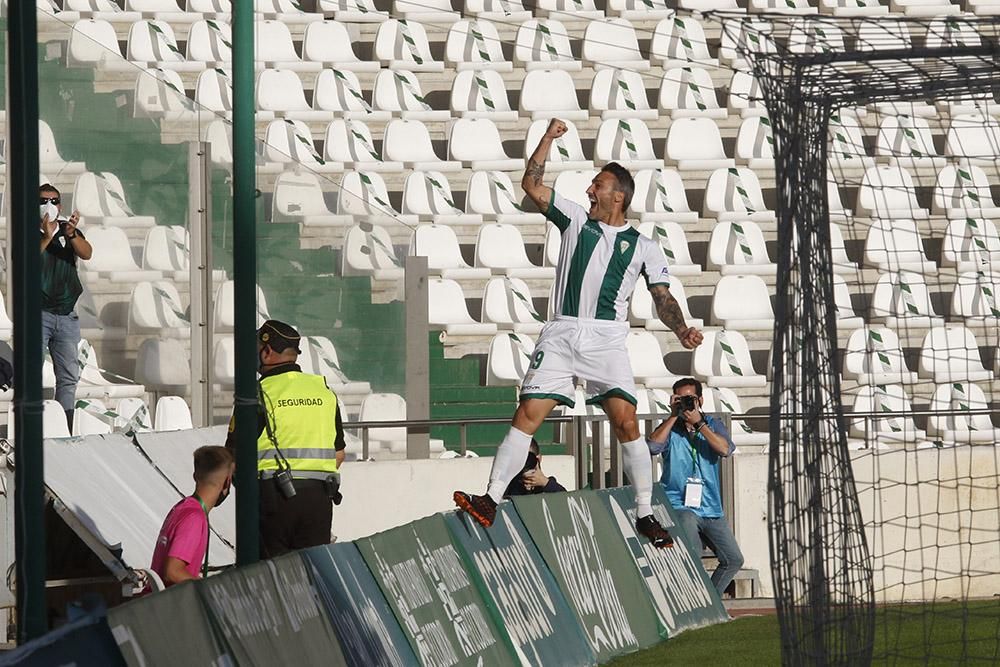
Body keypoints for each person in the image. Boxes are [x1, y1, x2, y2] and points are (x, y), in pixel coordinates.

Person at [455, 118, 703, 548]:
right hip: (562, 332)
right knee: (527, 415)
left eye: (598, 185)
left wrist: (681, 329)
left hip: (607, 338)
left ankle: (645, 512)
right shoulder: (573, 219)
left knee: (626, 421)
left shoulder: (644, 245)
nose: (590, 191)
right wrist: (547, 139)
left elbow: (662, 296)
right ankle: (490, 499)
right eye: (591, 185)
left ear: (618, 195)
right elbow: (531, 185)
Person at [225, 319, 347, 558]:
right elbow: (338, 454)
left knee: (269, 578)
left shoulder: (256, 394)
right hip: (319, 500)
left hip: (272, 500)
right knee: (313, 578)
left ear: (267, 351)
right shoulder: (323, 391)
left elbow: (231, 456)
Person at [647, 378, 744, 596]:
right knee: (693, 550)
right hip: (678, 503)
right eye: (681, 399)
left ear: (700, 400)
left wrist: (700, 423)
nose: (686, 404)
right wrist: (673, 415)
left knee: (733, 559)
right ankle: (690, 598)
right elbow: (652, 447)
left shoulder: (714, 424)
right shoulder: (670, 427)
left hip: (710, 506)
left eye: (690, 399)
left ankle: (709, 601)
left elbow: (724, 449)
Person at [39, 183, 92, 428]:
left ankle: (64, 425)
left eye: (54, 200)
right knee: (30, 375)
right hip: (38, 314)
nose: (50, 205)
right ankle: (30, 427)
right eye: (43, 201)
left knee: (68, 377)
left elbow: (87, 252)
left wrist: (70, 234)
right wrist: (47, 236)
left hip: (66, 314)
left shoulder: (66, 229)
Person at [150, 446, 234, 588]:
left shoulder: (182, 507)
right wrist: (211, 588)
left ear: (195, 476)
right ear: (227, 481)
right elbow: (173, 572)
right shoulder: (194, 518)